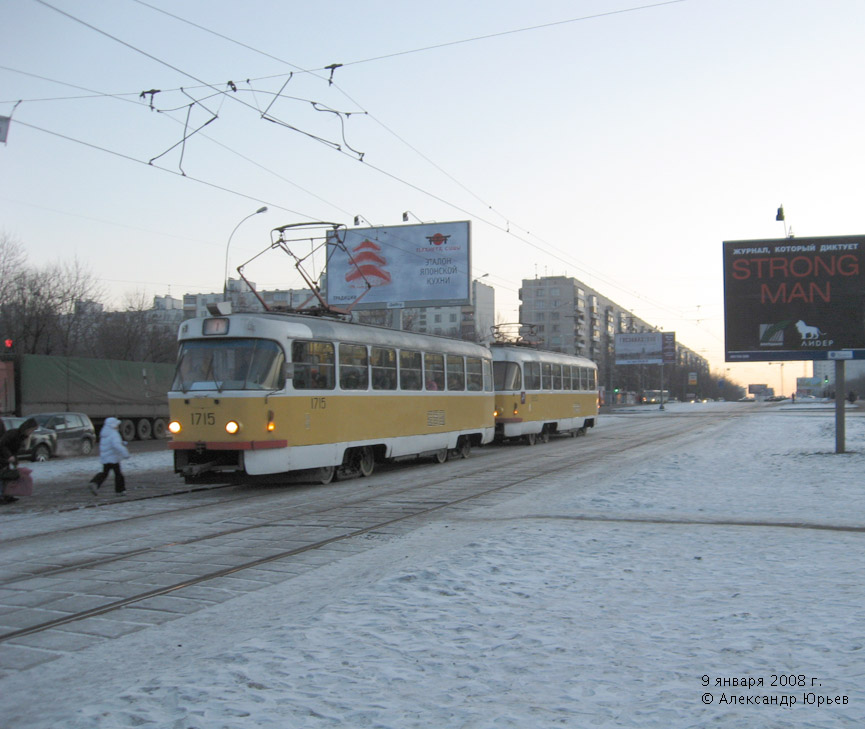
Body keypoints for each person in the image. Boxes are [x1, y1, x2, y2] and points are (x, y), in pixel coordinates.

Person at [88, 417, 129, 496]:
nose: (117, 426)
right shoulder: (114, 433)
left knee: (104, 473)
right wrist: (125, 453)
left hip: (105, 457)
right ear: (113, 425)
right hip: (113, 458)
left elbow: (108, 444)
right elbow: (116, 445)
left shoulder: (104, 433)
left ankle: (95, 482)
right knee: (118, 474)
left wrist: (121, 442)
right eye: (116, 424)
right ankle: (120, 490)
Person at [0, 417, 37, 504]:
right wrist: (9, 456)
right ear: (27, 428)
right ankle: (2, 496)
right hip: (2, 456)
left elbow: (14, 450)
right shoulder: (14, 434)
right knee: (2, 477)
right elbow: (2, 445)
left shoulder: (21, 437)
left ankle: (7, 495)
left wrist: (15, 460)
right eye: (31, 430)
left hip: (5, 458)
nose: (31, 432)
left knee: (7, 476)